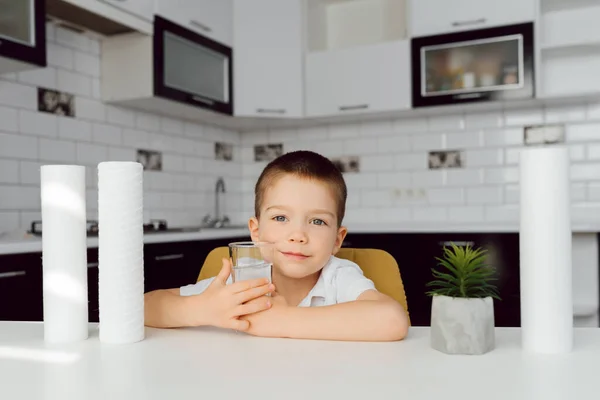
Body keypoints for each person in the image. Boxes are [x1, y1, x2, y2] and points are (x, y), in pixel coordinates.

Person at [144, 150, 409, 341]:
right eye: (281, 218)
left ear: (337, 240)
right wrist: (202, 309)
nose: (298, 235)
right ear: (256, 231)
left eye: (317, 221)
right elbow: (142, 307)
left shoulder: (338, 277)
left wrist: (279, 320)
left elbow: (392, 320)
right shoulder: (241, 281)